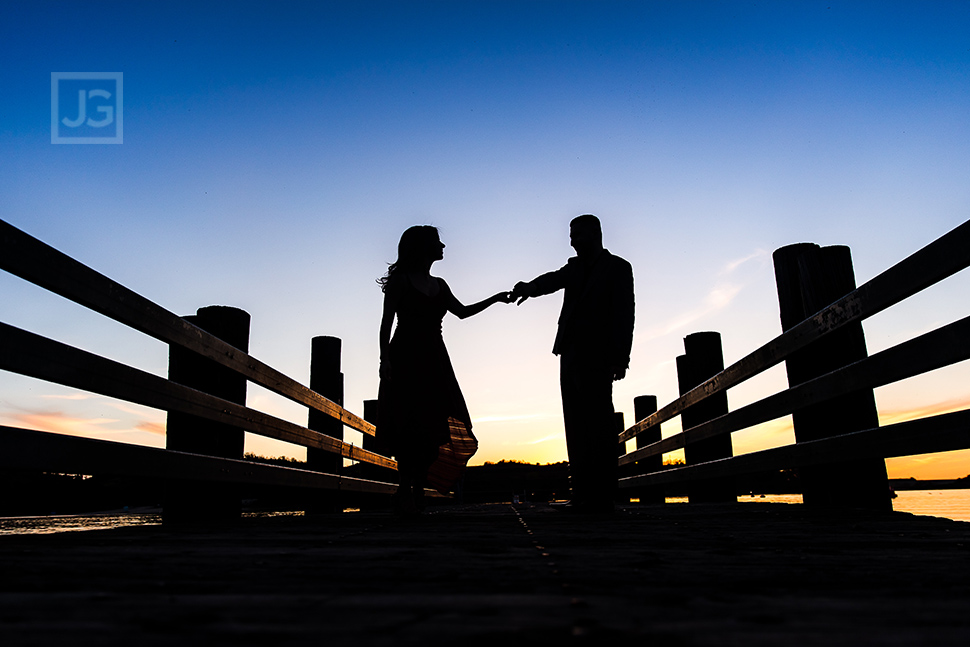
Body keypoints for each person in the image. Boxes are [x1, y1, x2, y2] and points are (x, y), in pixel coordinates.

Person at [377, 225, 512, 516]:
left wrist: (495, 298)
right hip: (404, 357)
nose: (443, 246)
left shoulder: (440, 284)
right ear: (422, 247)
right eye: (437, 242)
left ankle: (417, 490)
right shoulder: (401, 281)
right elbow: (386, 322)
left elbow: (462, 312)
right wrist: (384, 359)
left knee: (435, 421)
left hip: (434, 359)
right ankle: (405, 491)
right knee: (407, 420)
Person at [511, 214, 634, 514]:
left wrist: (621, 358)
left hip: (601, 356)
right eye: (571, 235)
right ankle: (580, 494)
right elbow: (550, 281)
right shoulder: (573, 267)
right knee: (575, 424)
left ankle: (603, 497)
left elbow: (624, 315)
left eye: (577, 234)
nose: (572, 240)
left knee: (600, 425)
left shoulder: (618, 268)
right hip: (571, 354)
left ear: (595, 233)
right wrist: (527, 287)